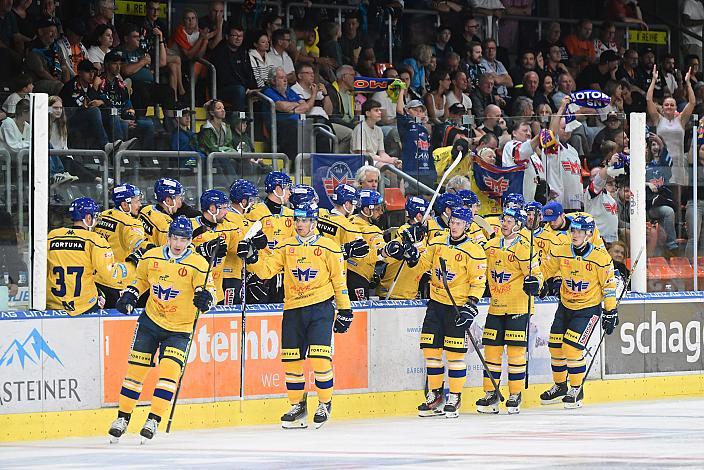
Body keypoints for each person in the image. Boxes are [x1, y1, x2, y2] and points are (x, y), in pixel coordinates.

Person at [239, 202, 352, 429]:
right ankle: (297, 406)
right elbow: (266, 271)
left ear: (314, 222)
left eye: (305, 221)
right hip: (292, 309)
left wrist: (345, 310)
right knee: (291, 360)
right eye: (297, 220)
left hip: (320, 308)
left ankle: (324, 402)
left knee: (320, 358)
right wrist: (251, 257)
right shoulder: (286, 245)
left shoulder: (329, 247)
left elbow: (339, 281)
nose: (300, 225)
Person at [108, 216, 217, 443]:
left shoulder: (198, 264)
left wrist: (207, 300)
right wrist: (131, 293)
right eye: (175, 238)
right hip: (150, 322)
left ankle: (153, 419)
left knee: (168, 374)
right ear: (168, 237)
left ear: (190, 240)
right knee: (134, 374)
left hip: (180, 329)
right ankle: (122, 418)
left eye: (184, 239)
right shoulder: (151, 256)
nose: (178, 243)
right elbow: (141, 280)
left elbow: (209, 291)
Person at [413, 206, 486, 417]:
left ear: (467, 226)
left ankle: (454, 396)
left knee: (454, 356)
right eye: (453, 222)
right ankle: (435, 395)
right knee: (431, 352)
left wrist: (471, 306)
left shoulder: (474, 250)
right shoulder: (437, 242)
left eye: (459, 223)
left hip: (457, 307)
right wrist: (411, 254)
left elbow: (478, 282)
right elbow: (422, 265)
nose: (454, 226)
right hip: (436, 304)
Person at [539, 216, 618, 408]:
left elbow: (608, 286)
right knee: (555, 346)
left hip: (588, 309)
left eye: (580, 231)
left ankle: (576, 388)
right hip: (565, 305)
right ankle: (560, 386)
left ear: (589, 234)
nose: (575, 235)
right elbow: (545, 270)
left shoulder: (600, 257)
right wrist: (537, 282)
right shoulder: (562, 250)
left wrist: (611, 311)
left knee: (572, 348)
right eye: (573, 230)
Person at [476, 207, 541, 414]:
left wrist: (535, 284)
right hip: (496, 306)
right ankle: (491, 393)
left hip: (518, 307)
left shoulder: (524, 248)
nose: (505, 223)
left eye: (510, 221)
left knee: (515, 354)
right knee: (492, 352)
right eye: (504, 219)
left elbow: (537, 274)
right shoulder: (491, 245)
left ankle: (515, 394)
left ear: (519, 225)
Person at [46, 197, 124, 314]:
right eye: (95, 217)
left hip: (54, 304)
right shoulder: (94, 240)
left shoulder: (52, 236)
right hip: (84, 305)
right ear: (88, 218)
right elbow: (109, 275)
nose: (96, 221)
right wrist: (130, 266)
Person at [647, 65, 696, 216]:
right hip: (662, 163)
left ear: (675, 107)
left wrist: (688, 83)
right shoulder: (658, 119)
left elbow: (692, 103)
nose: (669, 107)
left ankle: (679, 229)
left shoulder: (681, 120)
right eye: (666, 104)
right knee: (663, 196)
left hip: (678, 162)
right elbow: (648, 99)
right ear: (662, 107)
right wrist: (654, 81)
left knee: (677, 199)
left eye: (672, 105)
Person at [190, 189, 251, 304]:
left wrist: (248, 250)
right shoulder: (189, 226)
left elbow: (241, 248)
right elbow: (175, 252)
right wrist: (201, 250)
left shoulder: (230, 227)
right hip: (192, 290)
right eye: (223, 208)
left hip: (217, 292)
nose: (226, 212)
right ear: (212, 209)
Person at [94, 184, 150, 303]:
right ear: (125, 205)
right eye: (137, 201)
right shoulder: (131, 223)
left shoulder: (102, 216)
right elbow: (136, 243)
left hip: (98, 278)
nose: (140, 205)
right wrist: (150, 248)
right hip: (119, 281)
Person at [247, 171, 294, 303]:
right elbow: (246, 247)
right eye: (287, 188)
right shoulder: (256, 213)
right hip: (261, 276)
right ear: (278, 189)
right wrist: (250, 276)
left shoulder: (291, 214)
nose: (290, 192)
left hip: (285, 276)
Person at [97, 50, 155, 149]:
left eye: (120, 64)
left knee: (148, 124)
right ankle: (119, 156)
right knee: (121, 123)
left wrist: (130, 118)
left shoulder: (121, 85)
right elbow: (103, 107)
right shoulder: (99, 82)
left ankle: (146, 158)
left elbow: (129, 106)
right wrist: (123, 121)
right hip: (108, 120)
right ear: (107, 65)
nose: (118, 67)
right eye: (115, 64)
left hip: (123, 119)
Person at [378, 196, 431, 300]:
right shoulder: (405, 233)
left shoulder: (423, 236)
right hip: (395, 292)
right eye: (429, 214)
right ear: (420, 216)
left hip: (409, 292)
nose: (430, 218)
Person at [117, 23, 175, 114]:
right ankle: (140, 120)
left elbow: (162, 62)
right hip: (132, 86)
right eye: (134, 37)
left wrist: (160, 39)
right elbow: (126, 71)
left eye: (138, 36)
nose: (138, 39)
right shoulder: (121, 51)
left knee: (169, 91)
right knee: (142, 92)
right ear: (126, 38)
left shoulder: (141, 51)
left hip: (149, 84)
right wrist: (142, 62)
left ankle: (170, 123)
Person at [347, 190, 393, 301]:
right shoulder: (372, 230)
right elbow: (382, 249)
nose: (381, 213)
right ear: (366, 210)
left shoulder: (348, 221)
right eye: (377, 209)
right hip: (359, 277)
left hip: (344, 273)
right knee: (360, 314)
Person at [316, 183, 370, 266]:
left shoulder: (318, 213)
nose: (355, 208)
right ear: (347, 204)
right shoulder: (349, 227)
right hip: (334, 271)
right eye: (354, 204)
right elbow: (362, 256)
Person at [396, 87, 436, 195]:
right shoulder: (406, 124)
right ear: (407, 111)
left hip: (426, 169)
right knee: (411, 198)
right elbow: (399, 111)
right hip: (411, 169)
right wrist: (401, 91)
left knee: (427, 199)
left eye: (421, 111)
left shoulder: (425, 128)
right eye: (415, 110)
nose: (419, 113)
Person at [207, 22, 256, 112]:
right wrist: (245, 88)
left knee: (264, 92)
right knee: (239, 90)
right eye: (235, 36)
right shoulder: (220, 52)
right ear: (227, 36)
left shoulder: (243, 51)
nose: (238, 39)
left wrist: (253, 88)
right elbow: (224, 78)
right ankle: (238, 122)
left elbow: (249, 72)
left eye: (240, 36)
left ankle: (256, 123)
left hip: (244, 87)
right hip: (223, 89)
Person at [143, 0, 184, 97]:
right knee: (176, 59)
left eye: (157, 9)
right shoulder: (142, 25)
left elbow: (164, 47)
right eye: (153, 9)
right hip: (149, 59)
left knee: (173, 65)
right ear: (147, 10)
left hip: (159, 57)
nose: (155, 12)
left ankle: (174, 99)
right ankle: (181, 90)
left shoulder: (160, 24)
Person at [198, 99, 240, 187]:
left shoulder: (226, 127)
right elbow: (211, 147)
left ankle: (244, 186)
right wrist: (225, 151)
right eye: (219, 108)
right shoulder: (206, 128)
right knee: (223, 159)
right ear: (212, 113)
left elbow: (229, 144)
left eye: (223, 108)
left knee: (244, 160)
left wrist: (228, 151)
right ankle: (234, 186)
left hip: (224, 155)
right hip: (210, 157)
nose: (223, 110)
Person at [25, 16, 69, 95]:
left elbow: (64, 67)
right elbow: (41, 72)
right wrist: (61, 85)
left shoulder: (56, 48)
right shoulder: (32, 50)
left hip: (58, 82)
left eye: (55, 31)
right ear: (40, 32)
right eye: (51, 31)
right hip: (37, 83)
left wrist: (68, 85)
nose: (54, 35)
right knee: (59, 87)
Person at [352, 99, 400, 169]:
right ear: (367, 113)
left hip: (374, 159)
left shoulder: (378, 129)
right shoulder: (360, 129)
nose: (380, 112)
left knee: (396, 167)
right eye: (376, 110)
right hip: (361, 161)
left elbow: (382, 153)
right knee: (388, 168)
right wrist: (388, 160)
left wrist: (393, 160)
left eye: (379, 110)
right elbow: (362, 154)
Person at [139, 177, 185, 247]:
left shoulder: (145, 209)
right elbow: (169, 254)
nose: (180, 203)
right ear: (168, 201)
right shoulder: (166, 226)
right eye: (179, 198)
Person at [328, 64, 357, 152]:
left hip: (349, 124)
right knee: (351, 134)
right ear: (344, 77)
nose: (355, 78)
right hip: (333, 123)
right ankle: (338, 159)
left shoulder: (350, 94)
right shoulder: (331, 91)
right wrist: (352, 125)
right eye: (352, 75)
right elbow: (333, 116)